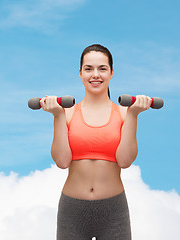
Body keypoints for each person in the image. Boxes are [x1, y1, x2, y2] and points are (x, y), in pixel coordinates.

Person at [39, 44, 152, 240]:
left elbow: (125, 161)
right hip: (72, 210)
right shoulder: (67, 114)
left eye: (102, 68)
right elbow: (62, 161)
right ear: (80, 73)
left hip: (113, 210)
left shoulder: (125, 113)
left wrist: (134, 114)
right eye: (89, 69)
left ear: (111, 72)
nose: (95, 75)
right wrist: (57, 115)